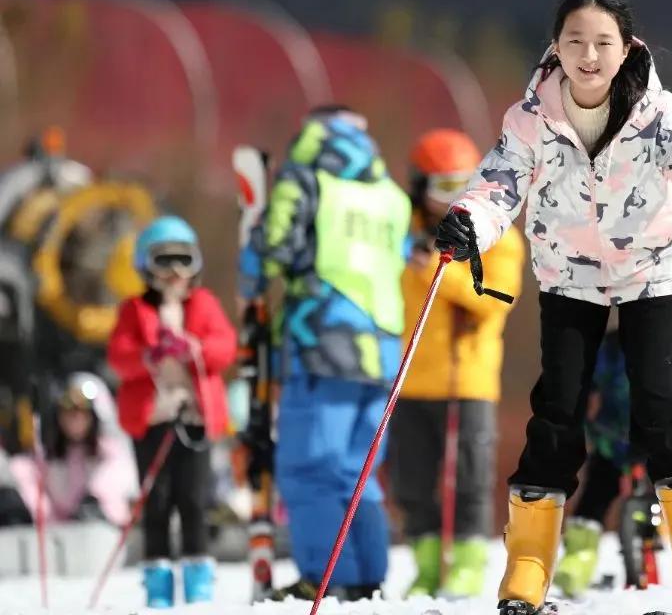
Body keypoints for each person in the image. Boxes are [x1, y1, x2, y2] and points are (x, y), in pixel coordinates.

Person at [435, 0, 672, 615]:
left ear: (626, 48)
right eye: (575, 42)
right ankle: (525, 571)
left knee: (658, 405)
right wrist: (468, 220)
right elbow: (500, 180)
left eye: (603, 43)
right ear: (556, 47)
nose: (589, 56)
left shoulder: (657, 115)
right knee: (557, 410)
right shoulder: (531, 118)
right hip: (569, 270)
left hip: (650, 267)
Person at [239, 106, 412, 601]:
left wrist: (250, 256)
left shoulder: (307, 178)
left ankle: (324, 576)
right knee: (357, 472)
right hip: (381, 350)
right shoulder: (390, 196)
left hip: (322, 341)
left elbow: (275, 246)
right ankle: (363, 576)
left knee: (309, 467)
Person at [388, 128, 525, 598]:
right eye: (440, 187)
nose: (450, 200)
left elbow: (495, 299)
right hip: (410, 380)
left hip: (467, 380)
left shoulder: (498, 238)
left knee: (469, 479)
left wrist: (435, 272)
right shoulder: (402, 232)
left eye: (461, 185)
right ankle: (426, 565)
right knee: (412, 480)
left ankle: (467, 563)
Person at [554, 275, 672, 597]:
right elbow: (586, 382)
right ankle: (579, 556)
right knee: (597, 491)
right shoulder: (614, 348)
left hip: (668, 444)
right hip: (615, 437)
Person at [107, 216, 236, 608]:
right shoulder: (134, 309)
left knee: (193, 499)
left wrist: (196, 349)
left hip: (194, 419)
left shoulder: (204, 304)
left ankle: (198, 580)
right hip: (151, 420)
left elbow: (225, 346)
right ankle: (158, 583)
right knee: (157, 501)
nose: (175, 273)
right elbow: (118, 357)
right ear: (146, 266)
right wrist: (149, 355)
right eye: (164, 262)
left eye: (184, 261)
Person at [8, 372, 137, 527]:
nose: (75, 418)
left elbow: (122, 478)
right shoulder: (48, 455)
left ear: (94, 417)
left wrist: (96, 499)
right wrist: (34, 510)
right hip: (58, 535)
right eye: (68, 412)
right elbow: (24, 474)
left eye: (82, 412)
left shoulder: (110, 452)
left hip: (101, 532)